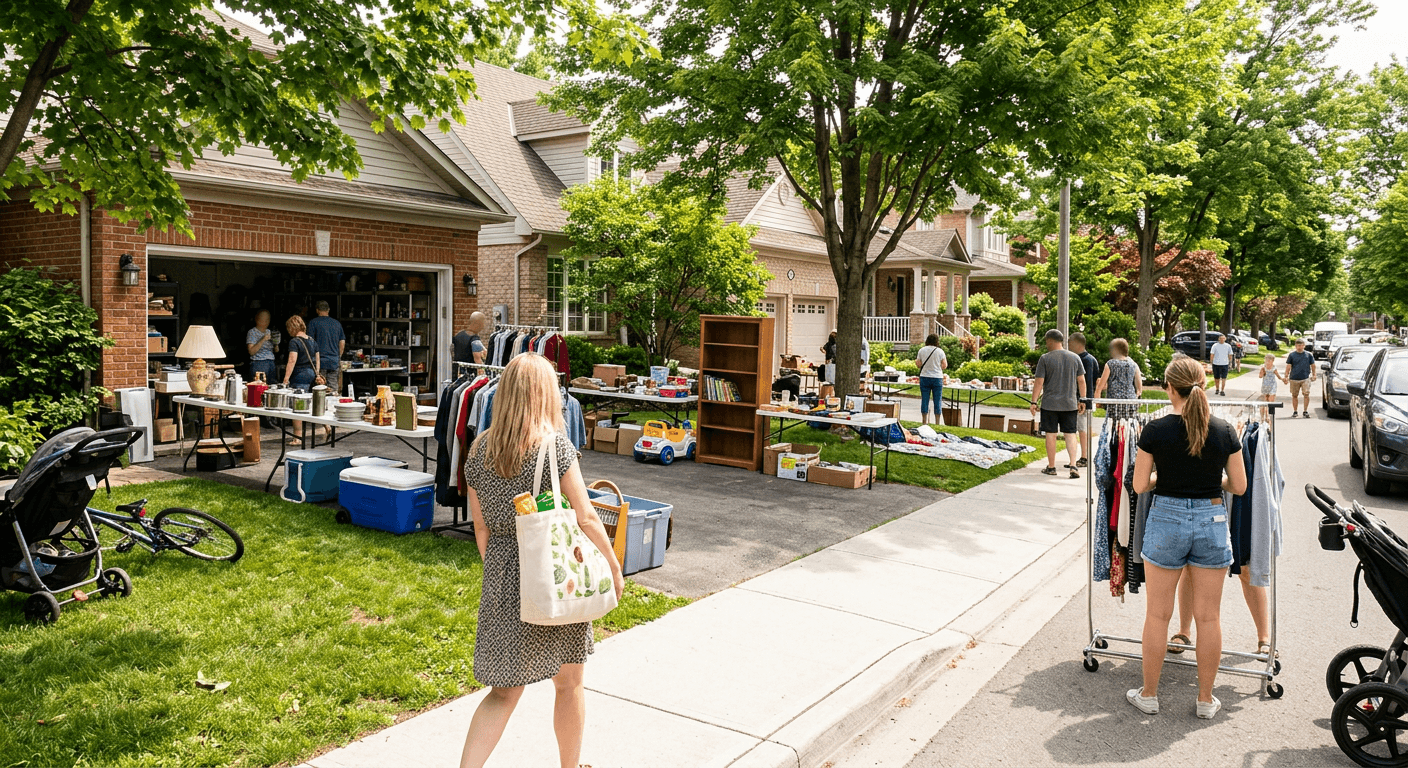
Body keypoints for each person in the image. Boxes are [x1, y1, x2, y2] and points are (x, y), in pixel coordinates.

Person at [459, 354, 624, 768]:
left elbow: (480, 527)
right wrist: (613, 567)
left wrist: (501, 570)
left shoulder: (478, 449)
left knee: (503, 691)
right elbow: (586, 516)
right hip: (555, 576)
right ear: (547, 394)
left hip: (501, 579)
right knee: (569, 683)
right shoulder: (555, 447)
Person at [1128, 356, 1247, 720]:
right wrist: (1214, 483)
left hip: (1166, 517)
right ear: (1204, 385)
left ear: (1168, 387)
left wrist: (1164, 481)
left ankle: (1149, 694)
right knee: (1208, 618)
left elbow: (1138, 485)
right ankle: (1206, 700)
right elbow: (1239, 487)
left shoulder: (1154, 430)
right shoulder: (1226, 430)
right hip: (1212, 517)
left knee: (1157, 615)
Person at [1029, 329, 1086, 479]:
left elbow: (1039, 382)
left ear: (1050, 341)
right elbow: (1081, 381)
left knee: (1051, 435)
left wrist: (1033, 401)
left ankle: (1052, 466)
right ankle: (1073, 465)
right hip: (1070, 403)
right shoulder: (1075, 358)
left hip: (1050, 404)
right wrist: (1083, 399)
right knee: (1070, 434)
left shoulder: (1045, 358)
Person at [282, 315, 320, 445]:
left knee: (297, 406)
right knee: (312, 403)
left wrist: (286, 378)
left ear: (291, 328)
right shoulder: (312, 341)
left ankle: (297, 437)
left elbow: (292, 360)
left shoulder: (294, 342)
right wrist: (317, 374)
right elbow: (317, 359)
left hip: (299, 375)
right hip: (311, 374)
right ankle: (326, 427)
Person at [1069, 332, 1100, 467]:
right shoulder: (1092, 359)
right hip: (1088, 399)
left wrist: (1082, 399)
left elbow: (1085, 381)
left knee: (1082, 429)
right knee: (1084, 428)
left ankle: (1084, 457)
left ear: (1076, 344)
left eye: (1070, 344)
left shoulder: (1083, 360)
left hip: (1082, 400)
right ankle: (1082, 456)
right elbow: (1096, 380)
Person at [1095, 337, 1143, 421]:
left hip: (1114, 402)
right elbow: (1139, 388)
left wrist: (1097, 400)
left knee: (1115, 426)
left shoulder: (1110, 364)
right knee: (1127, 427)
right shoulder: (1134, 365)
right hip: (1130, 402)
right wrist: (1135, 397)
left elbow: (1100, 386)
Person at [307, 301, 346, 397]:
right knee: (333, 390)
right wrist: (338, 356)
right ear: (328, 310)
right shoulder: (337, 324)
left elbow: (309, 343)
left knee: (319, 391)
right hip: (333, 361)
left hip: (319, 362)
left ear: (317, 310)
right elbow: (342, 342)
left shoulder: (313, 323)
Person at [916, 334, 949, 425]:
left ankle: (924, 421)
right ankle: (937, 422)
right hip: (937, 378)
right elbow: (944, 365)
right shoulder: (940, 351)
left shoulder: (922, 350)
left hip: (924, 377)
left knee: (925, 399)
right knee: (937, 400)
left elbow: (919, 365)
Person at [1283, 338, 1316, 418]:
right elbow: (1288, 366)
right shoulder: (1292, 355)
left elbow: (1313, 365)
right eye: (1298, 345)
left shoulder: (1308, 355)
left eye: (1301, 345)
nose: (1299, 347)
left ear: (1304, 346)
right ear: (1295, 346)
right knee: (1294, 395)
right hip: (1294, 378)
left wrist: (1314, 374)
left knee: (1306, 394)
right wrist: (1286, 376)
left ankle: (1305, 411)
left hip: (1305, 378)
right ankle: (1295, 411)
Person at [245, 309, 276, 384]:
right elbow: (251, 351)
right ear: (257, 319)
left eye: (267, 320)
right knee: (259, 386)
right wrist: (263, 339)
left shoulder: (269, 332)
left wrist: (276, 343)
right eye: (263, 319)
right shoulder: (252, 332)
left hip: (271, 361)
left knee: (272, 385)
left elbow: (276, 350)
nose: (265, 322)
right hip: (259, 362)